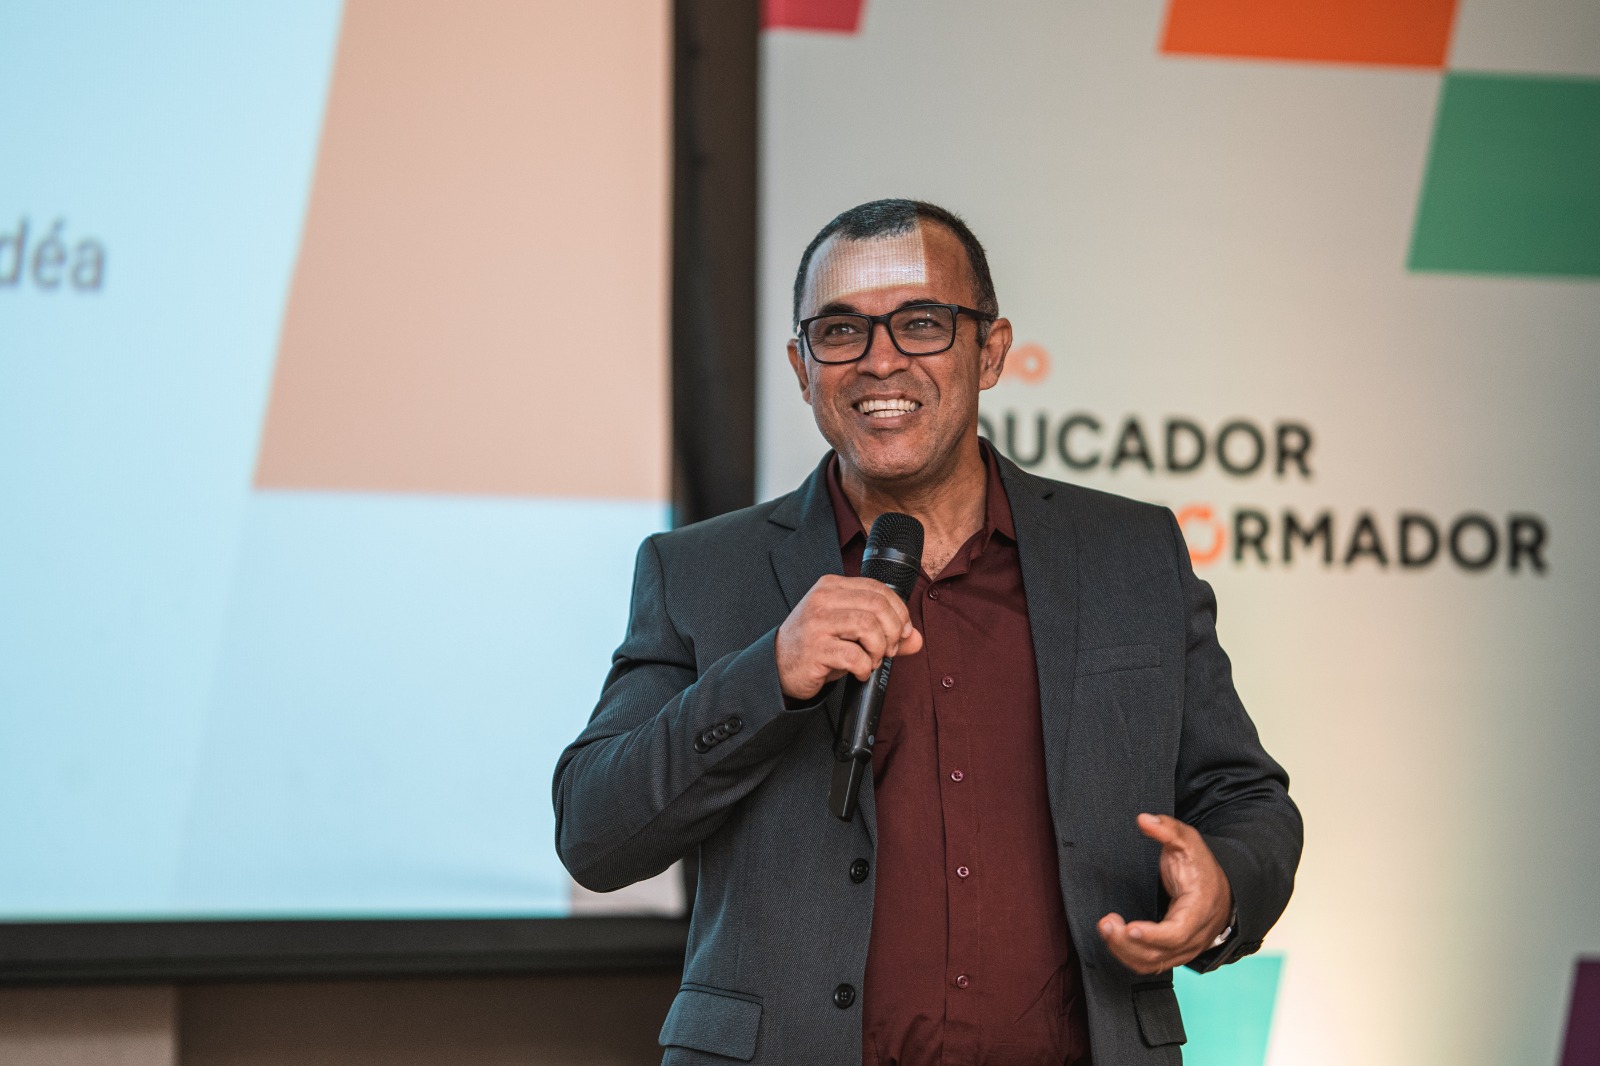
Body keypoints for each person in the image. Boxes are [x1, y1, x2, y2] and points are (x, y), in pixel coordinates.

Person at [554, 199, 1301, 1065]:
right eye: (841, 331)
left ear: (990, 351)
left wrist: (1222, 891)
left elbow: (1245, 798)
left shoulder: (1128, 556)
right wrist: (768, 675)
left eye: (921, 324)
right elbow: (594, 834)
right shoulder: (702, 571)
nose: (880, 360)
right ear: (801, 366)